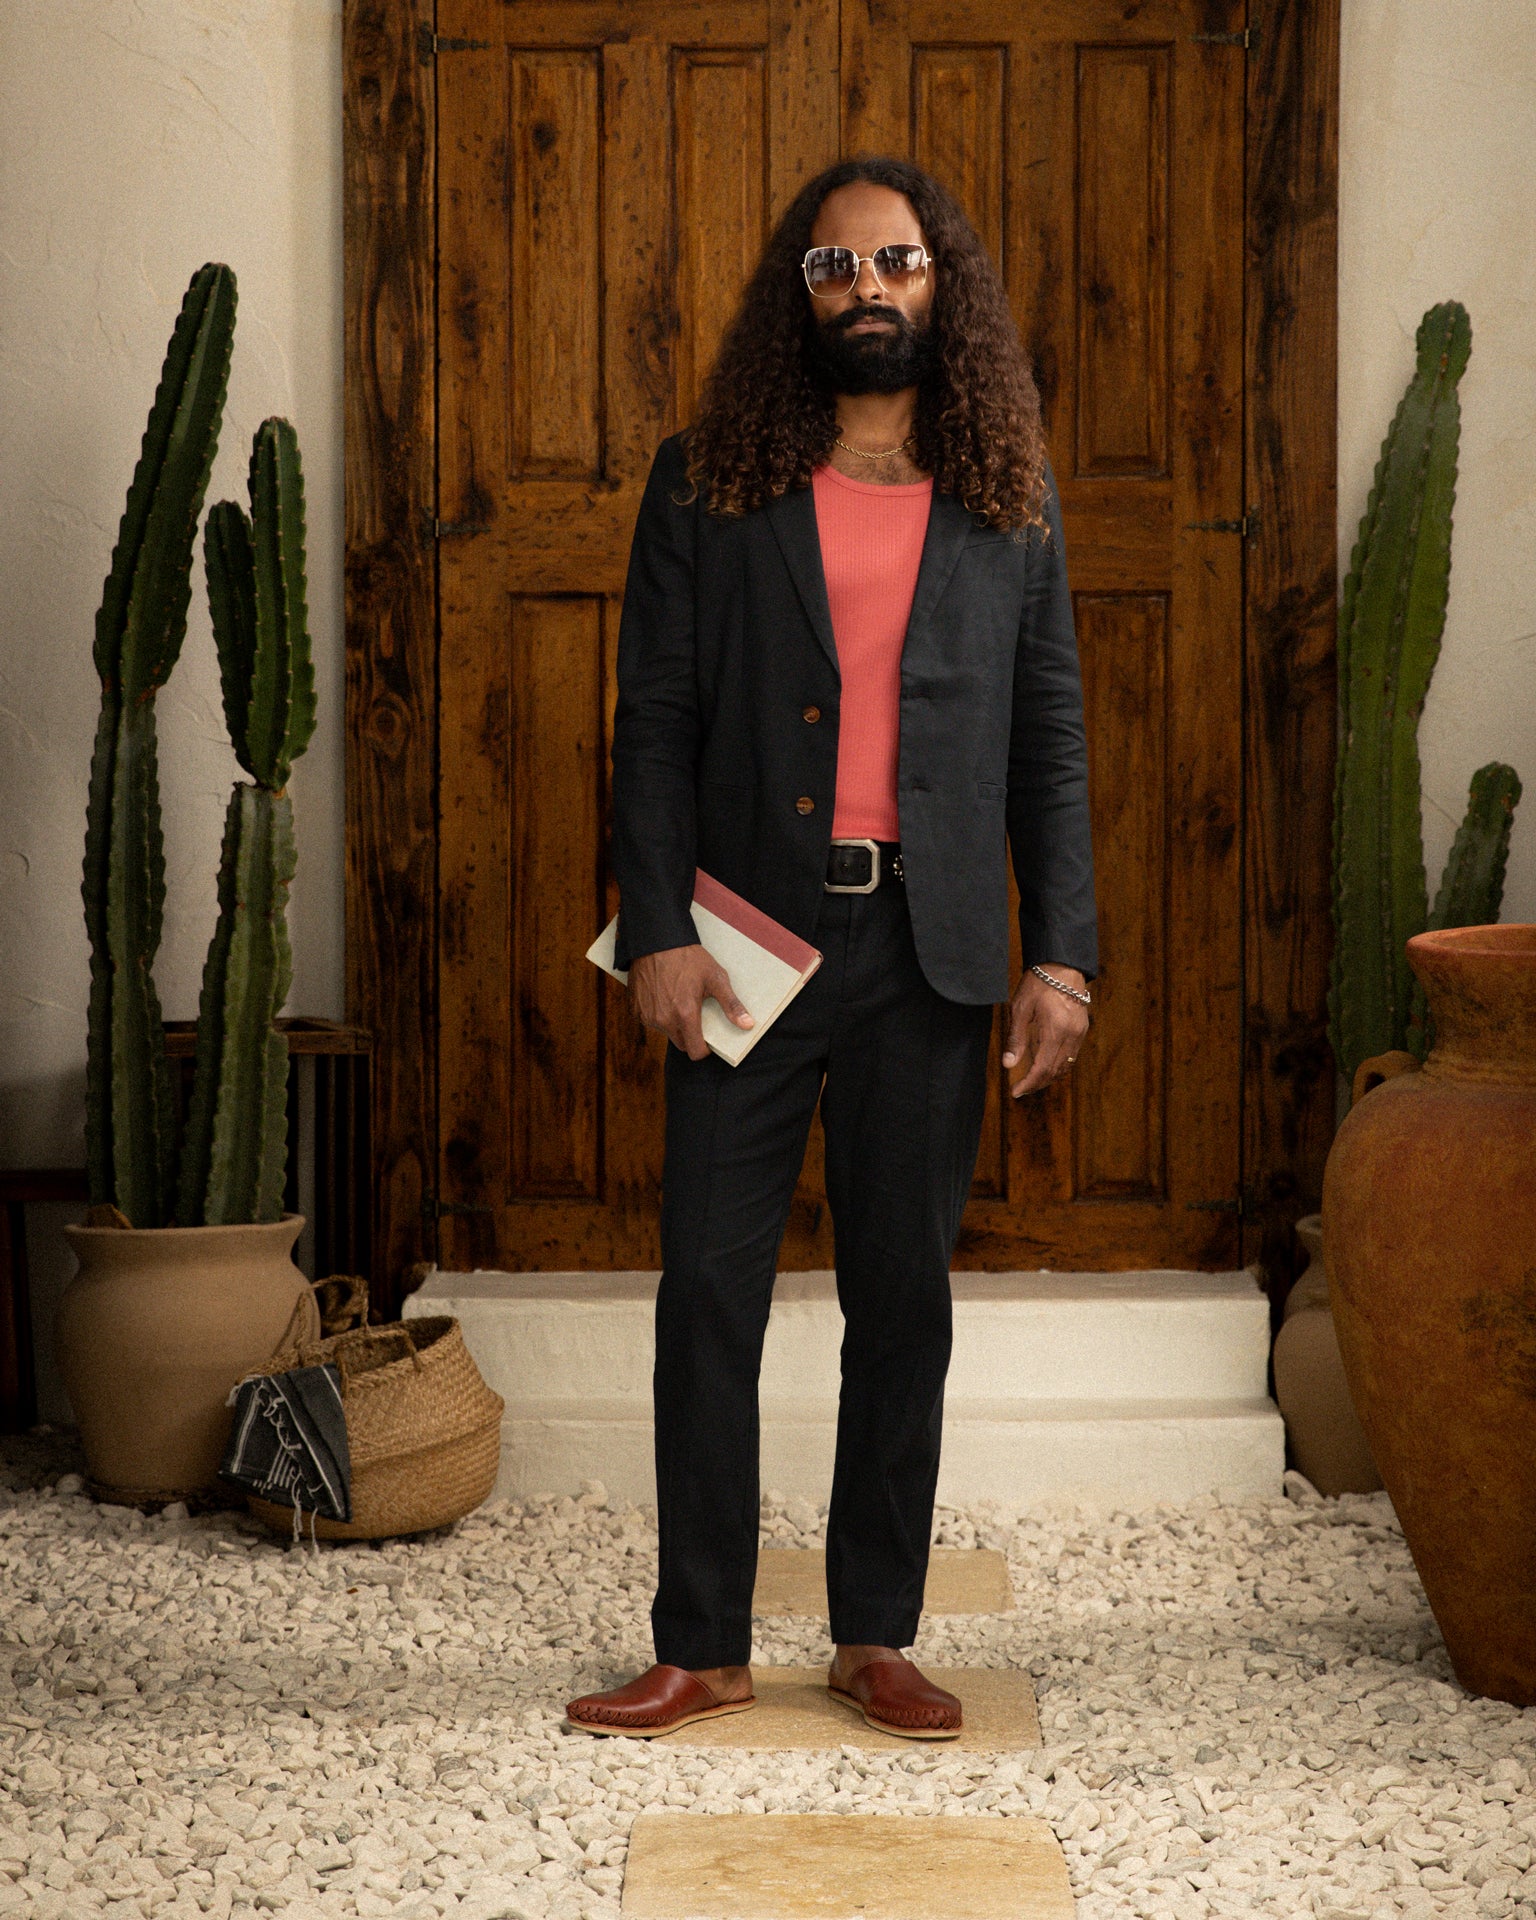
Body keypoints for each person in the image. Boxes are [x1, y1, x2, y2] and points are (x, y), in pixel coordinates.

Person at [566, 157, 1097, 1742]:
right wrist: (655, 926)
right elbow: (651, 723)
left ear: (947, 285)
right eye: (836, 267)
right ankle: (702, 1643)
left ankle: (877, 1633)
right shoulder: (707, 481)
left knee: (901, 1300)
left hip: (932, 951)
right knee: (706, 1294)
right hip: (746, 940)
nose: (870, 287)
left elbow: (1050, 737)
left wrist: (1059, 954)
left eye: (899, 262)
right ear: (796, 297)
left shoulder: (1009, 499)